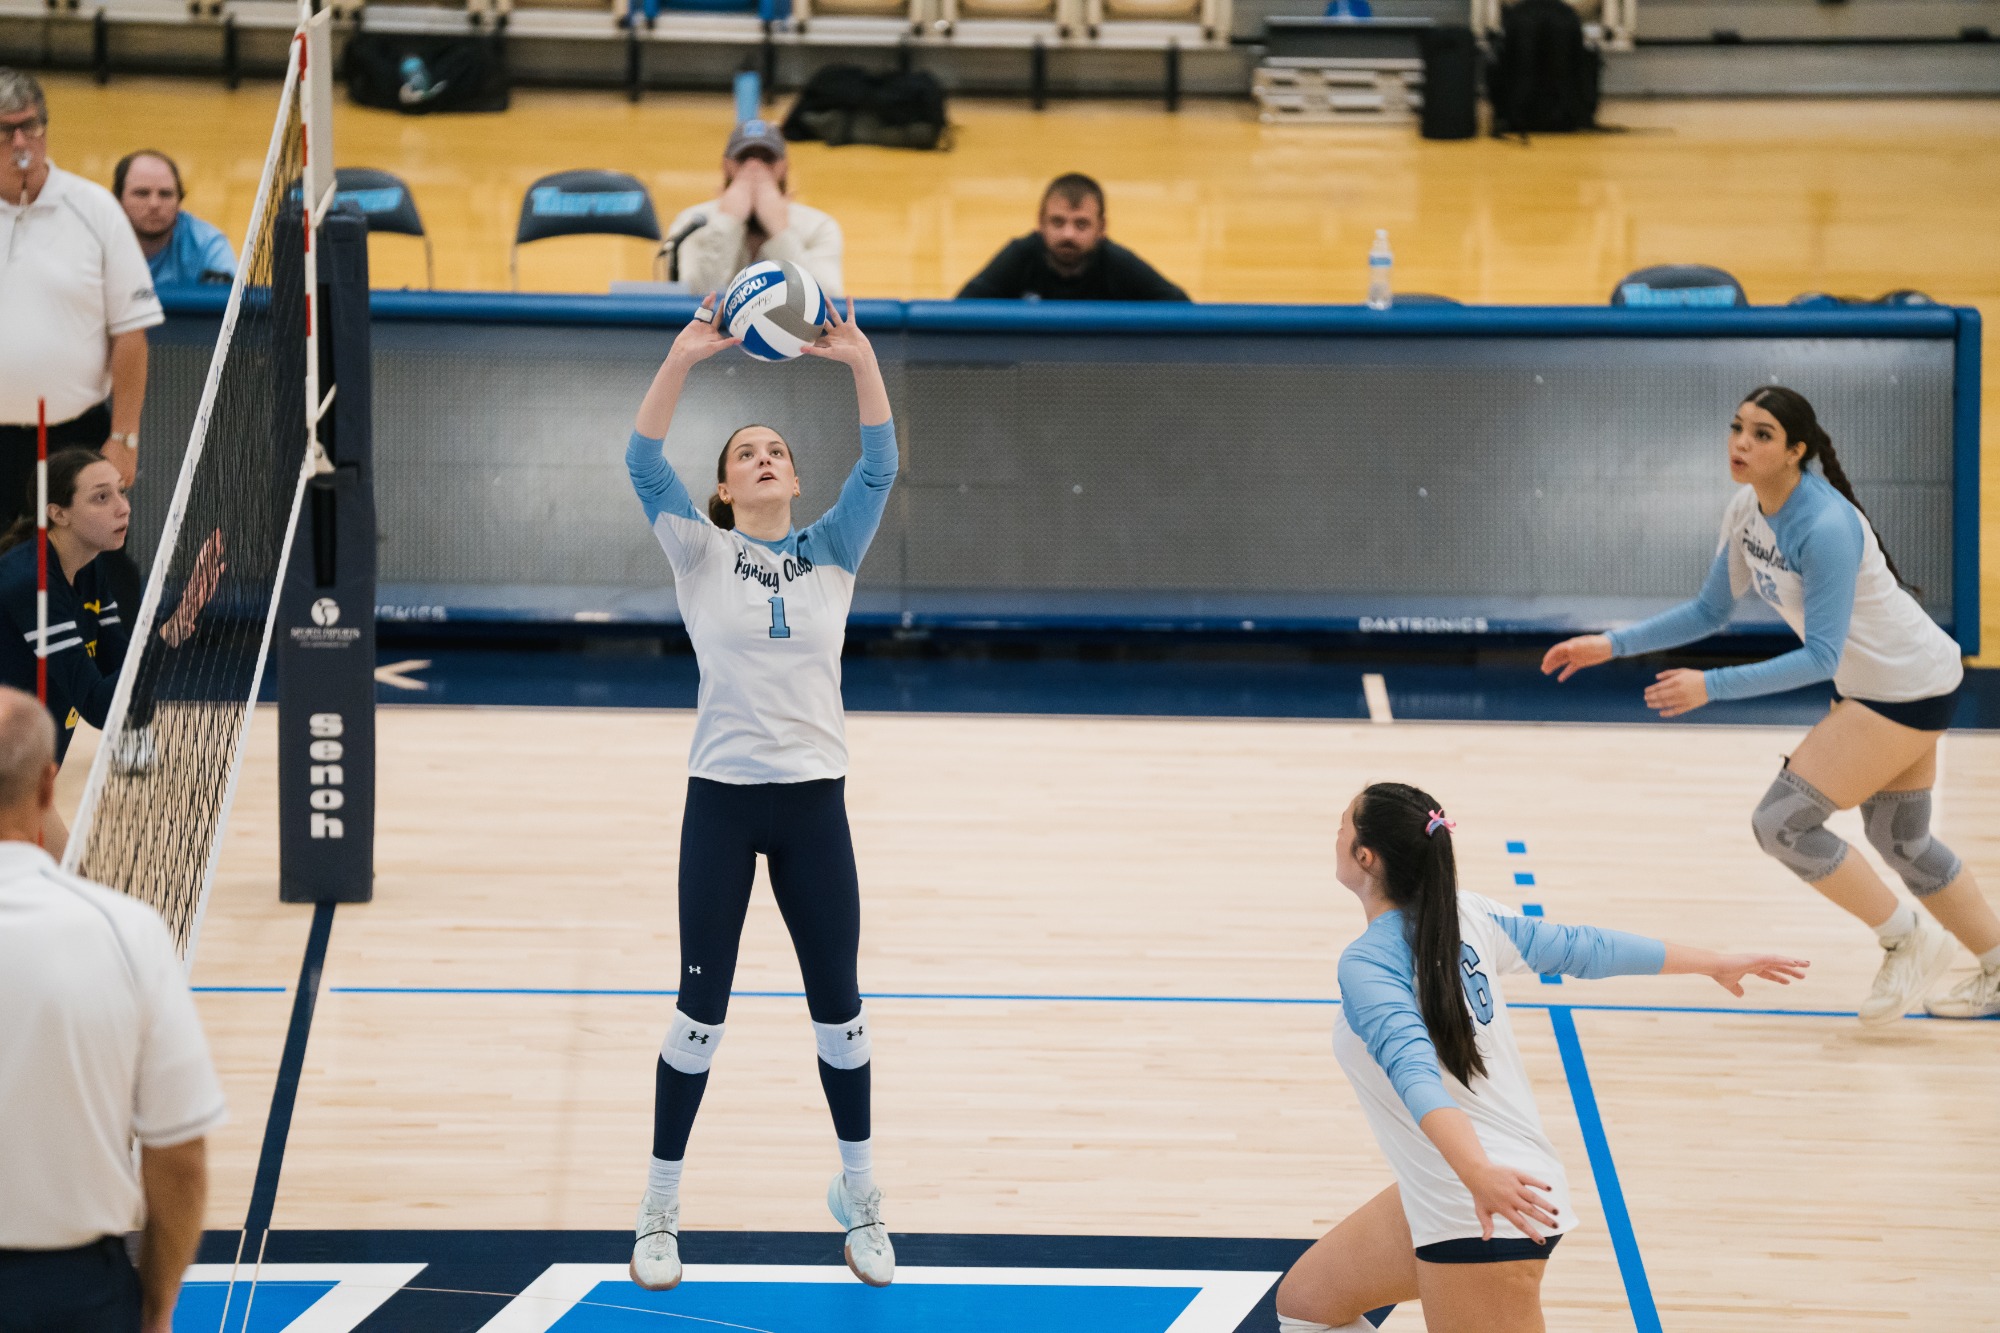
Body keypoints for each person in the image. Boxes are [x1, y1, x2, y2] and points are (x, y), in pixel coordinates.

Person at [1275, 781, 1806, 1333]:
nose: (1335, 834)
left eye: (1342, 824)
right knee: (1309, 1304)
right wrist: (1713, 962)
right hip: (1467, 1183)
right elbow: (1585, 948)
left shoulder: (1373, 961)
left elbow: (1416, 1074)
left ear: (1365, 856)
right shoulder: (1465, 914)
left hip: (1481, 1200)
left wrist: (1478, 1174)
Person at [1541, 387, 2000, 1024]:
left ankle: (1907, 939)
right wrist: (1611, 644)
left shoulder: (1826, 525)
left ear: (1795, 451)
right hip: (1895, 680)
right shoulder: (1747, 508)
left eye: (1761, 434)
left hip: (1902, 688)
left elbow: (1820, 656)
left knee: (1781, 823)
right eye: (1737, 428)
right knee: (1904, 842)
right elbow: (1710, 611)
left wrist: (1710, 686)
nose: (1740, 443)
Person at [623, 293, 896, 1292]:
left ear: (796, 477)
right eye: (747, 453)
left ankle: (860, 1196)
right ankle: (659, 1207)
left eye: (777, 449)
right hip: (724, 805)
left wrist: (859, 360)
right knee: (699, 1013)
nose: (766, 457)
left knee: (841, 1011)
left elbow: (880, 466)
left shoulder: (834, 549)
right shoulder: (699, 550)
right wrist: (683, 358)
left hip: (814, 805)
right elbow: (641, 463)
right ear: (726, 489)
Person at [0, 685, 225, 1333]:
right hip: (72, 1293)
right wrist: (156, 1305)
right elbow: (179, 1157)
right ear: (49, 785)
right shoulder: (127, 934)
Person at [0, 448, 224, 851]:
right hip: (11, 779)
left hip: (20, 780)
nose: (123, 508)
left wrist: (174, 630)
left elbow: (126, 698)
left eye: (121, 492)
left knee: (69, 882)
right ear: (58, 513)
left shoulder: (89, 569)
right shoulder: (32, 585)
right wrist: (165, 636)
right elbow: (100, 707)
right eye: (101, 497)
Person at [0, 69, 153, 633]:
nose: (21, 142)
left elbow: (131, 333)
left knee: (97, 573)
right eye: (5, 131)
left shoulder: (94, 209)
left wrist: (124, 437)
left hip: (75, 436)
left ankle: (118, 680)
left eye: (31, 127)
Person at [663, 120, 843, 299]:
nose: (755, 168)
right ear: (727, 165)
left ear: (784, 167)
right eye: (744, 159)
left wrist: (780, 231)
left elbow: (829, 299)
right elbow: (693, 296)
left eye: (767, 159)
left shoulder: (818, 226)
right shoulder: (693, 222)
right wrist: (728, 222)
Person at [956, 173, 1189, 302]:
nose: (1068, 234)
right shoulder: (1019, 257)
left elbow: (1184, 313)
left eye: (1081, 224)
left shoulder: (1119, 263)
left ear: (1102, 228)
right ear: (1040, 223)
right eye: (1058, 222)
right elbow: (960, 313)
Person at [114, 149, 237, 287]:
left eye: (165, 194)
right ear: (118, 200)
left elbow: (231, 296)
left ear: (179, 201)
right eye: (142, 193)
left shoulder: (207, 244)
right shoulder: (98, 243)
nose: (154, 204)